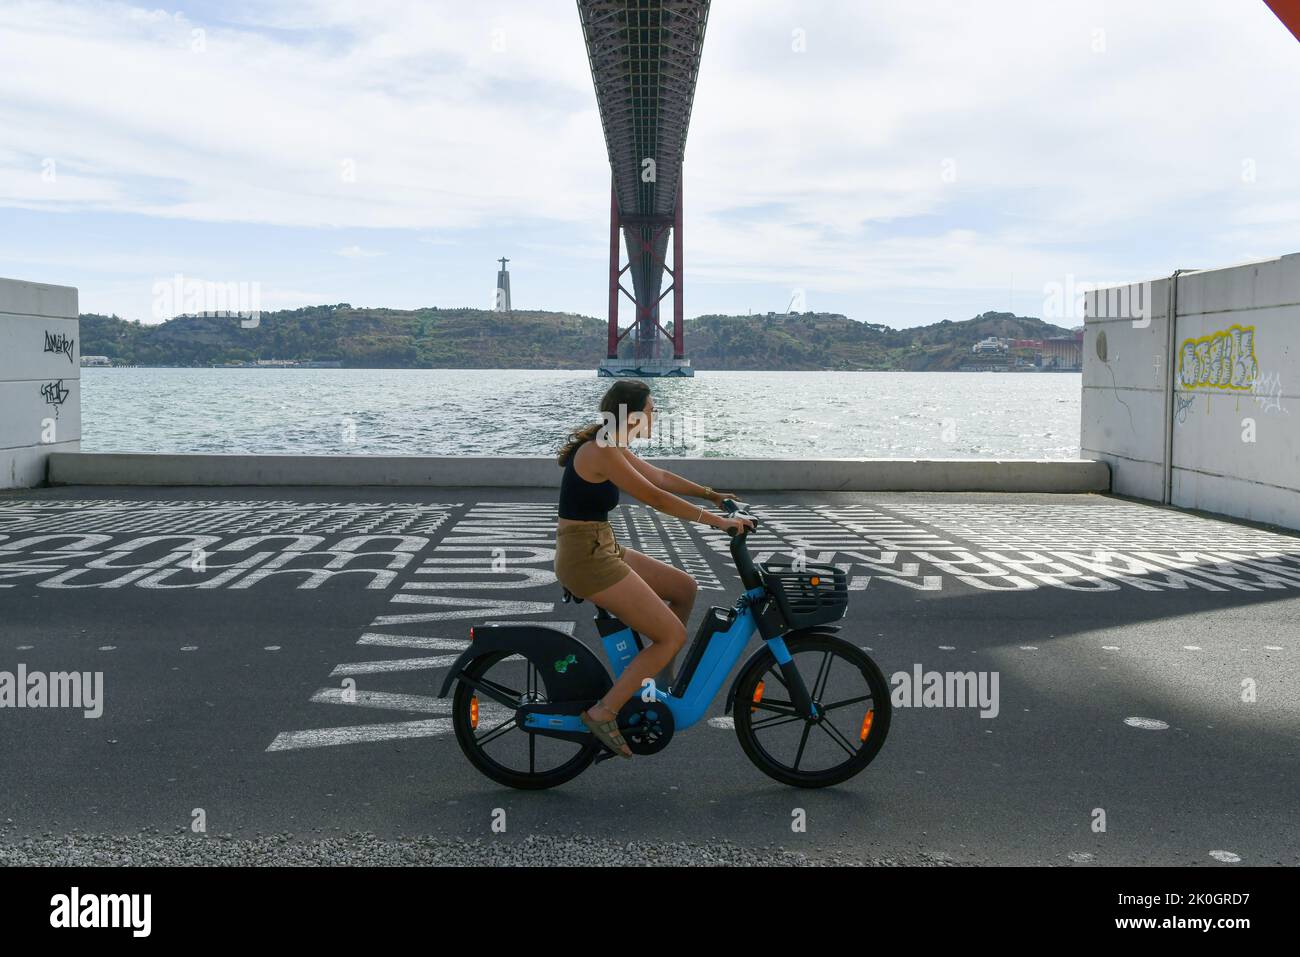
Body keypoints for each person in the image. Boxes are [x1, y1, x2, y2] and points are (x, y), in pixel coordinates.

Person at [554, 379, 754, 758]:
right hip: (586, 557)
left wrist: (713, 495)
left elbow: (659, 476)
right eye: (650, 408)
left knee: (683, 588)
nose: (655, 414)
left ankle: (656, 683)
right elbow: (656, 497)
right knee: (671, 636)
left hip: (600, 544)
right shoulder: (601, 449)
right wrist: (718, 522)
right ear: (631, 414)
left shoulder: (612, 443)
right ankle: (604, 711)